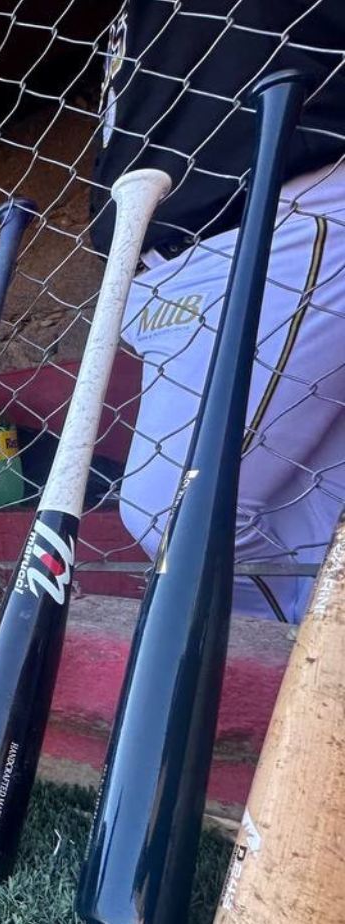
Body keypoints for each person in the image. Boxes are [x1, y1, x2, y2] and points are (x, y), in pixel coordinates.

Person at [93, 1, 345, 621]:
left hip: (276, 213)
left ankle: (288, 670)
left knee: (176, 512)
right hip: (166, 256)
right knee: (303, 502)